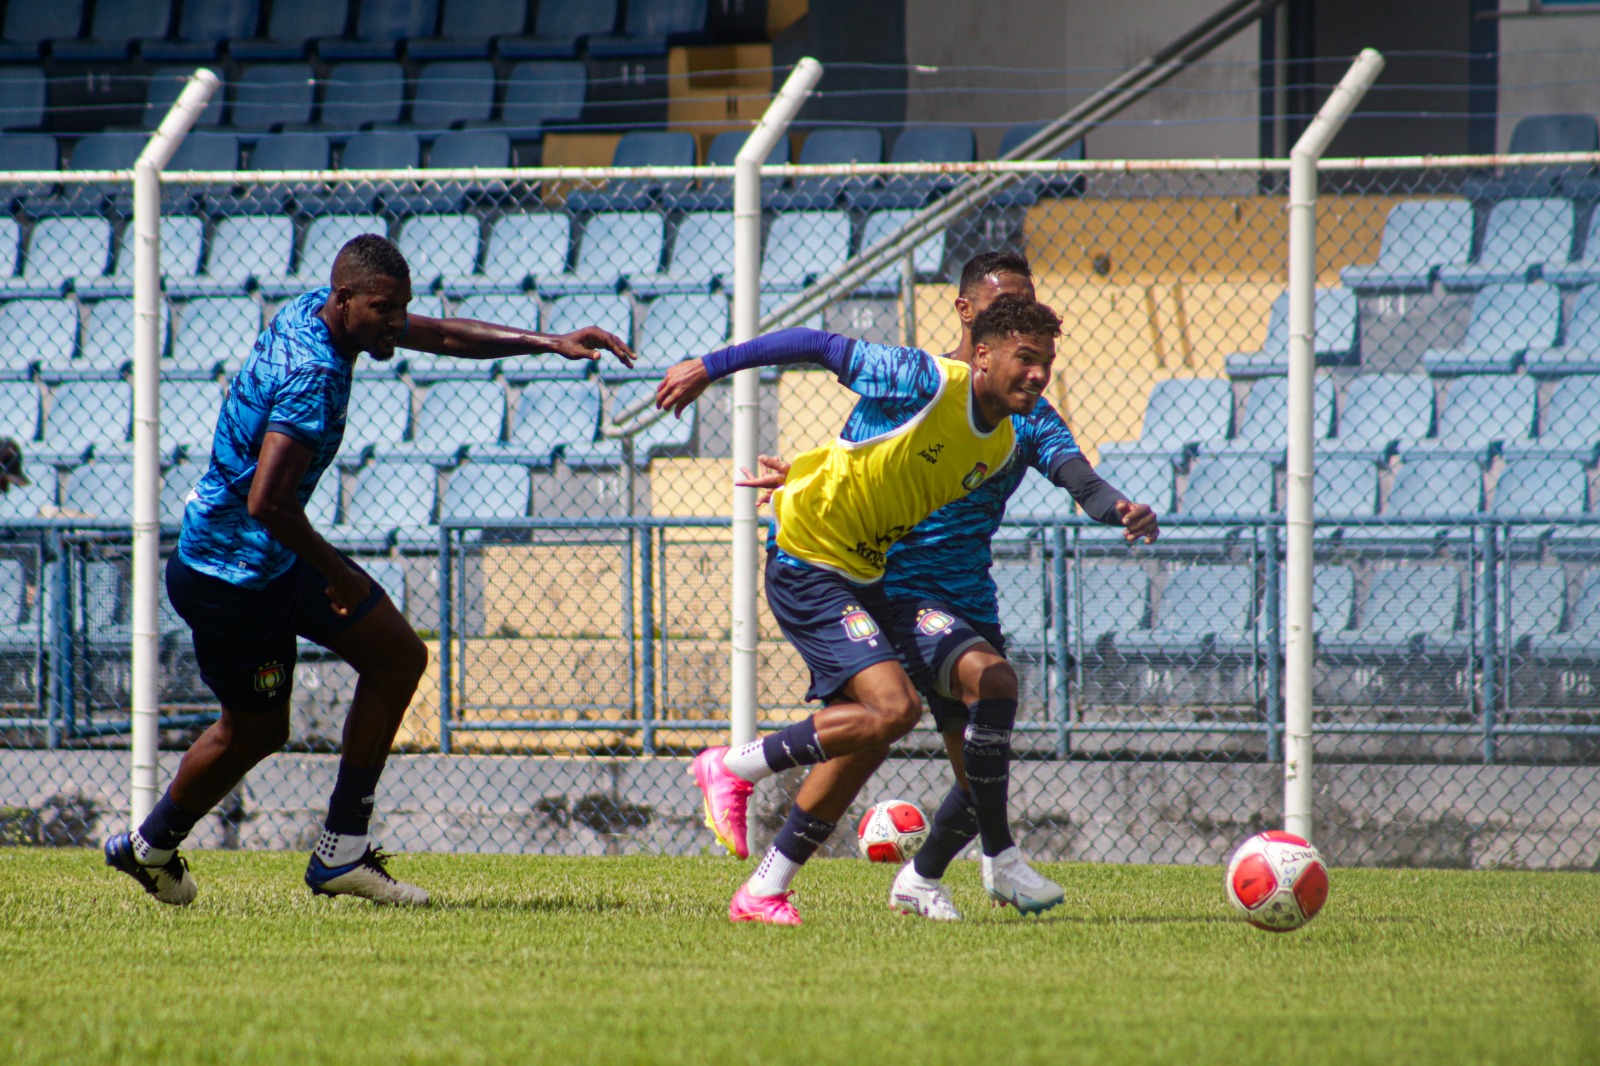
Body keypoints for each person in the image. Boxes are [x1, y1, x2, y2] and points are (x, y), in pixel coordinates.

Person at [104, 234, 634, 906]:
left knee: (397, 658)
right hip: (231, 577)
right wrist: (340, 572)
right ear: (346, 299)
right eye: (385, 309)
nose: (396, 322)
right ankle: (150, 846)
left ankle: (342, 850)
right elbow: (267, 502)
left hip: (272, 557)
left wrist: (548, 341)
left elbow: (442, 335)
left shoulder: (319, 311)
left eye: (400, 308)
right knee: (256, 731)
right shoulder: (314, 375)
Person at [738, 252, 1159, 921]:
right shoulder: (918, 381)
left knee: (973, 766)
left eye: (1028, 302)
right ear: (968, 314)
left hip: (967, 598)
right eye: (1003, 303)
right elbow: (862, 460)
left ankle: (909, 877)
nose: (1017, 313)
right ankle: (986, 860)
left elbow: (1078, 476)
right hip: (897, 588)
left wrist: (1119, 508)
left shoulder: (1027, 412)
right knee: (952, 704)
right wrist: (805, 477)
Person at [655, 293, 1063, 925]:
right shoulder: (925, 378)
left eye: (1047, 364)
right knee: (894, 710)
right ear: (983, 355)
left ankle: (764, 890)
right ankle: (731, 767)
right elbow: (815, 344)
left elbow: (880, 467)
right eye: (1026, 358)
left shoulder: (1002, 445)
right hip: (811, 558)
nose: (1038, 375)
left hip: (867, 572)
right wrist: (710, 367)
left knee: (871, 734)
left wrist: (807, 472)